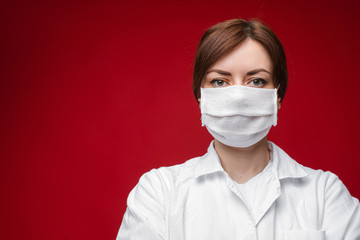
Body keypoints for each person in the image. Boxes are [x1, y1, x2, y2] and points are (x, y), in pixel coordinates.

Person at [116, 19, 360, 240]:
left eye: (256, 81)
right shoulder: (159, 192)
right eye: (220, 81)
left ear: (278, 96)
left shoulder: (326, 194)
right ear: (200, 96)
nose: (238, 96)